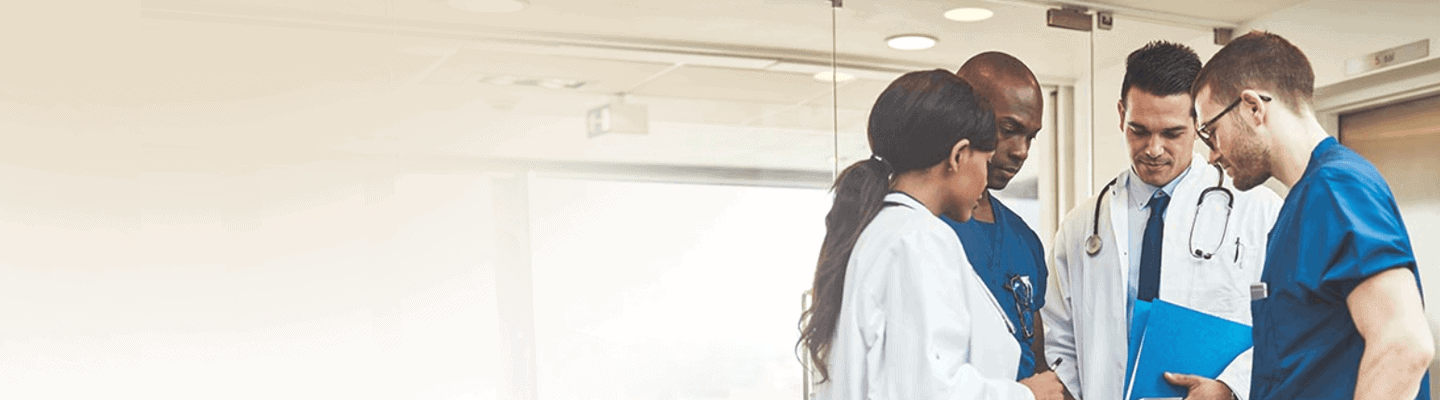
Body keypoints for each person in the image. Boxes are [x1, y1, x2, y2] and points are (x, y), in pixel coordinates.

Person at [1191, 31, 1434, 400]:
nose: (1212, 155)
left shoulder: (1336, 188)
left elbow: (1404, 346)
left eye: (1211, 132)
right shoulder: (1301, 203)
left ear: (1253, 107)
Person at [798, 69, 1063, 400]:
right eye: (985, 161)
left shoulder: (883, 231)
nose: (985, 179)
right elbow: (928, 389)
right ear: (958, 156)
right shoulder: (920, 238)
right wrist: (1027, 395)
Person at [1042, 41, 1283, 400]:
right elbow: (1059, 337)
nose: (1153, 149)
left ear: (1199, 122)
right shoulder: (1082, 226)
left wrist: (1231, 387)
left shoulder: (1258, 211)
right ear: (1121, 115)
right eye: (1139, 130)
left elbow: (1288, 324)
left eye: (1172, 133)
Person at [941, 52, 1057, 385]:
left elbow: (1035, 360)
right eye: (1009, 130)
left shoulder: (1023, 240)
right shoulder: (924, 231)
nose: (1022, 151)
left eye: (1031, 137)